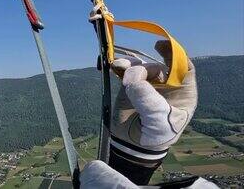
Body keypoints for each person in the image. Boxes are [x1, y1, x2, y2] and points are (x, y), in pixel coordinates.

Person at [80, 40, 219, 188]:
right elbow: (97, 175)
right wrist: (90, 175)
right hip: (131, 147)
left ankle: (137, 75)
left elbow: (98, 176)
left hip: (134, 147)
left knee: (138, 93)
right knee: (139, 94)